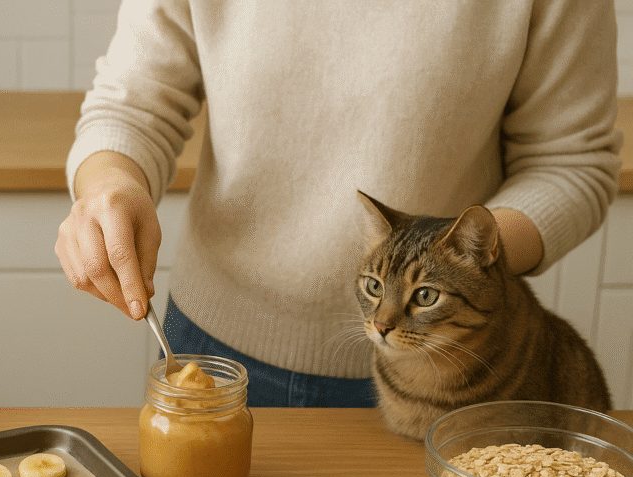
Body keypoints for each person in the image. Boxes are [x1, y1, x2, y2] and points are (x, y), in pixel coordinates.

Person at [55, 0, 623, 408]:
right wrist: (110, 184)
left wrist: (465, 265)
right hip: (212, 352)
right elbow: (132, 106)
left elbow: (571, 160)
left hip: (456, 374)